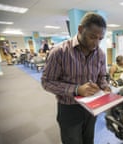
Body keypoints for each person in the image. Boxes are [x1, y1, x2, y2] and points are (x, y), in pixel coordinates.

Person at [41, 12, 110, 144]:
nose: (96, 43)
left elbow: (101, 77)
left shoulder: (100, 54)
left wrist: (105, 86)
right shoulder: (59, 52)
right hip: (69, 108)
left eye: (100, 38)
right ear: (80, 29)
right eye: (92, 37)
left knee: (89, 140)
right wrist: (77, 89)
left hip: (92, 107)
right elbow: (47, 82)